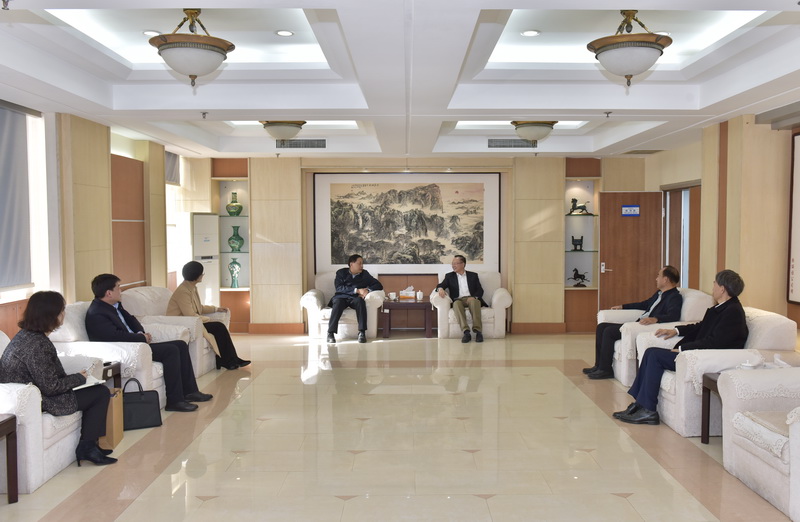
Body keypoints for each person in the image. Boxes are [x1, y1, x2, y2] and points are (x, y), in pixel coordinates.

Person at [615, 269, 749, 425]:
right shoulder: (721, 308)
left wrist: (682, 349)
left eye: (715, 283)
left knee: (655, 356)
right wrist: (675, 330)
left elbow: (715, 342)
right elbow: (700, 327)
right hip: (697, 353)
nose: (713, 286)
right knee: (650, 352)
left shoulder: (732, 312)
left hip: (704, 358)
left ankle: (649, 410)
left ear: (722, 289)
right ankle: (641, 404)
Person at [0, 291, 117, 466]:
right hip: (40, 400)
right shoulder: (37, 345)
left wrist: (75, 379)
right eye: (62, 311)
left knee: (95, 390)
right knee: (100, 393)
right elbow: (51, 387)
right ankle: (87, 448)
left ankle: (91, 445)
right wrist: (79, 378)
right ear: (51, 315)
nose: (64, 314)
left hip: (33, 394)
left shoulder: (26, 335)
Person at [85, 274, 212, 413]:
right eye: (118, 287)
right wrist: (141, 338)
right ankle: (175, 401)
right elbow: (115, 337)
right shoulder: (97, 313)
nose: (121, 291)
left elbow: (132, 320)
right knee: (171, 350)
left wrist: (141, 333)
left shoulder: (115, 305)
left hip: (137, 344)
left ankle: (190, 392)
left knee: (180, 345)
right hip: (127, 350)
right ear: (109, 293)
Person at [584, 266, 683, 380]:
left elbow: (673, 315)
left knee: (609, 331)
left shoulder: (675, 297)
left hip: (643, 327)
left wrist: (656, 319)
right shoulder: (659, 293)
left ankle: (606, 370)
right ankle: (598, 366)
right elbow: (644, 304)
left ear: (665, 279)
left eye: (658, 276)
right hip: (637, 324)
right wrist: (623, 306)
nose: (656, 279)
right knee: (601, 327)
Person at [167, 261, 251, 370]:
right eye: (202, 273)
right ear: (196, 276)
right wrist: (208, 319)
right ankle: (228, 360)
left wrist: (216, 309)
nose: (203, 275)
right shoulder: (183, 291)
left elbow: (199, 308)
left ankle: (230, 359)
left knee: (219, 327)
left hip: (193, 322)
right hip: (183, 324)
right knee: (218, 327)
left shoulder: (191, 287)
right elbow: (190, 314)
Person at [327, 254, 383, 344]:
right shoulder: (341, 273)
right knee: (337, 302)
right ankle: (330, 333)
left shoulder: (364, 274)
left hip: (355, 298)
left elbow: (378, 285)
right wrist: (357, 290)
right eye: (359, 263)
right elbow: (339, 288)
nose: (362, 266)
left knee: (360, 302)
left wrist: (367, 291)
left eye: (362, 263)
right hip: (341, 297)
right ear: (351, 264)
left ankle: (362, 332)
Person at [436, 255, 487, 343]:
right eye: (452, 264)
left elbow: (480, 290)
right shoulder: (449, 276)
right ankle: (466, 332)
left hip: (471, 298)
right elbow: (441, 285)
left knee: (475, 302)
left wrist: (474, 297)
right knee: (456, 304)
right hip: (458, 299)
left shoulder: (473, 275)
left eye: (456, 263)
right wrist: (440, 289)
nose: (453, 266)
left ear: (463, 264)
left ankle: (478, 332)